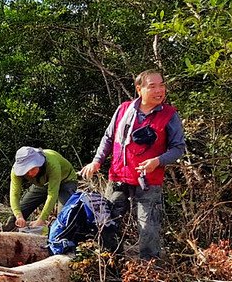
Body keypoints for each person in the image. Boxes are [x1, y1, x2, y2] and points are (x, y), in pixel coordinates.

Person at [79, 69, 186, 259]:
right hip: (119, 176)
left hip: (149, 181)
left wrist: (158, 161)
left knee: (148, 229)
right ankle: (111, 264)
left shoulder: (169, 115)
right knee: (108, 223)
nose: (159, 90)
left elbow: (178, 148)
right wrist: (97, 161)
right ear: (139, 89)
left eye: (161, 85)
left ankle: (149, 274)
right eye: (152, 86)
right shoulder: (124, 110)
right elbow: (109, 137)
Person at [10, 146, 78, 229]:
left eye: (32, 168)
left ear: (38, 162)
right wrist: (18, 216)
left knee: (64, 218)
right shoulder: (15, 171)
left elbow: (52, 194)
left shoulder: (52, 164)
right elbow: (14, 194)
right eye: (25, 171)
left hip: (66, 180)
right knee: (18, 214)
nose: (30, 173)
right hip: (43, 183)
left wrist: (41, 220)